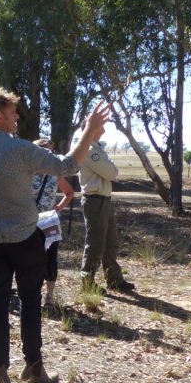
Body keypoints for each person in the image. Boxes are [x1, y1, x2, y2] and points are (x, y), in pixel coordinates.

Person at [0, 88, 109, 383]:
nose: (17, 118)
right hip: (26, 239)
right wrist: (90, 131)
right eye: (13, 113)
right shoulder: (20, 149)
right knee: (30, 303)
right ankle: (33, 368)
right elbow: (67, 166)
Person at [78, 123, 135, 292]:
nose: (103, 129)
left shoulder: (96, 148)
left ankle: (114, 279)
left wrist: (110, 166)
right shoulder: (89, 149)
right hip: (94, 200)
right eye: (100, 125)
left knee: (111, 242)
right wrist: (110, 166)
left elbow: (110, 170)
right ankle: (87, 282)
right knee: (95, 243)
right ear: (91, 128)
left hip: (104, 199)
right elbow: (112, 173)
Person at [32, 138, 76, 308]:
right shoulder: (26, 171)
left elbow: (69, 193)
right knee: (28, 257)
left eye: (51, 151)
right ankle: (32, 293)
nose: (50, 154)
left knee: (50, 258)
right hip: (28, 220)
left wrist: (58, 208)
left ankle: (49, 298)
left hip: (48, 220)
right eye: (46, 151)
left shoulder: (54, 173)